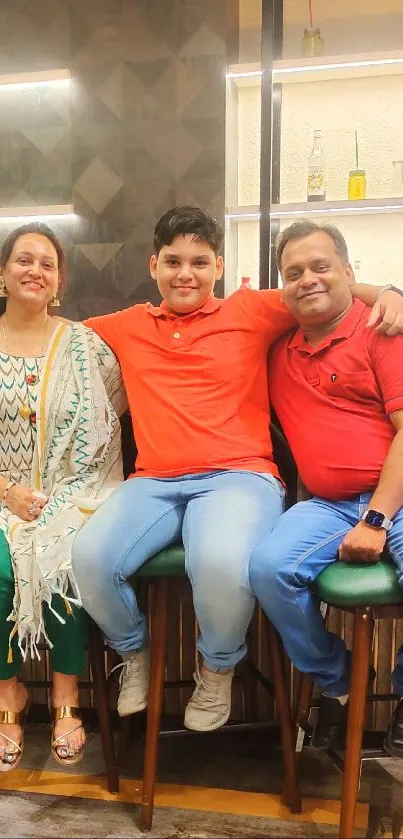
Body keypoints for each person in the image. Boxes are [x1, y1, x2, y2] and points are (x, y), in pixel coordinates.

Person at [72, 206, 403, 733]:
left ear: (219, 266)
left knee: (225, 563)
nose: (186, 274)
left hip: (238, 477)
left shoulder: (251, 311)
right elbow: (54, 337)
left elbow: (318, 288)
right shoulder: (126, 325)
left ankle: (218, 667)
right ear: (152, 264)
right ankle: (132, 653)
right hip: (154, 481)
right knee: (88, 557)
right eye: (173, 261)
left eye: (200, 262)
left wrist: (389, 291)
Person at [249, 219, 403, 755]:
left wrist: (378, 519)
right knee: (268, 569)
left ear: (348, 272)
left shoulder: (382, 328)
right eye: (294, 273)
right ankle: (341, 684)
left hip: (396, 498)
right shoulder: (275, 351)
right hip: (328, 506)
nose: (308, 280)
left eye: (322, 267)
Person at [0, 223, 124, 773]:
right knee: (1, 566)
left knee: (67, 554)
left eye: (47, 263)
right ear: (3, 274)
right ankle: (9, 698)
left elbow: (110, 414)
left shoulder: (84, 345)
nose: (35, 271)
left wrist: (61, 495)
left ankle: (65, 696)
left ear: (59, 280)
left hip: (72, 495)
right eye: (23, 260)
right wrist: (8, 492)